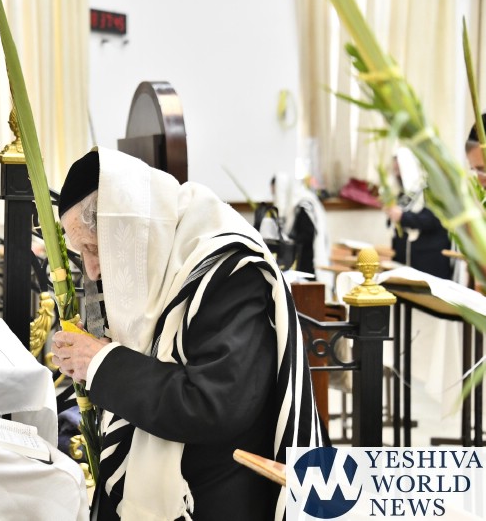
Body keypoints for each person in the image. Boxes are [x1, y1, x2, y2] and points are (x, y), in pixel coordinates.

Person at [50, 147, 326, 521]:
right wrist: (97, 354)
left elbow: (213, 405)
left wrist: (101, 363)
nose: (92, 269)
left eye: (93, 248)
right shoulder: (165, 253)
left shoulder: (227, 269)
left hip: (213, 495)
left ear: (126, 230)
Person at [384, 148, 452, 279]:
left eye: (399, 170)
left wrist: (402, 216)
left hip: (428, 259)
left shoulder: (433, 190)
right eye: (395, 171)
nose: (397, 175)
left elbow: (432, 219)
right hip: (407, 257)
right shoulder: (405, 193)